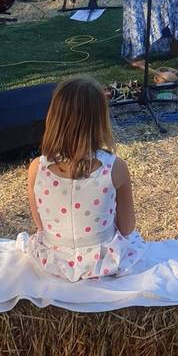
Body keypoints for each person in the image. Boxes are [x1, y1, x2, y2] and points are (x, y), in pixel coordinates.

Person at [21, 76, 145, 281]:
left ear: (53, 118)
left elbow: (40, 224)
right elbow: (127, 227)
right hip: (102, 261)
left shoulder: (37, 168)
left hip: (52, 260)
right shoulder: (115, 168)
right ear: (100, 121)